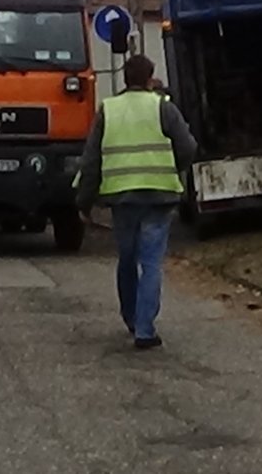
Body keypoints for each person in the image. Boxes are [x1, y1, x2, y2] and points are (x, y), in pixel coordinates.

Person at [73, 53, 197, 350]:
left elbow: (91, 160)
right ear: (149, 78)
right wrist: (172, 167)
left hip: (122, 198)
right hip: (159, 195)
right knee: (151, 262)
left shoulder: (108, 110)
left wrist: (84, 202)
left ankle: (130, 316)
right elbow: (188, 146)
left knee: (127, 259)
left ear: (125, 78)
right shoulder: (163, 108)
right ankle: (145, 329)